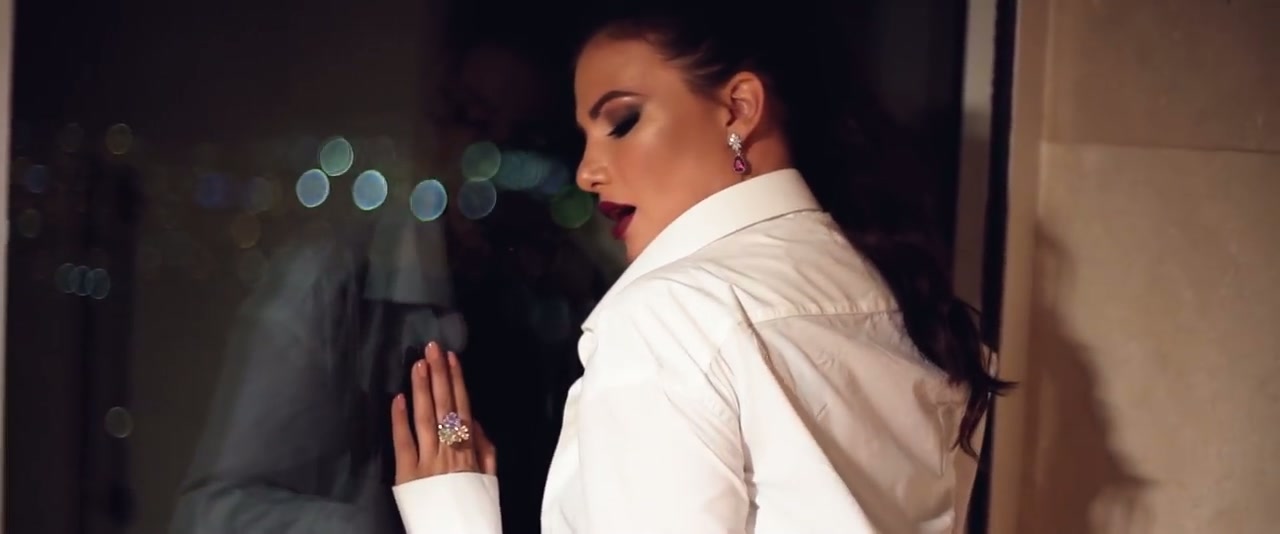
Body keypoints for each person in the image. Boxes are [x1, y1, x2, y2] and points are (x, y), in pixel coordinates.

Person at [388, 2, 1011, 533]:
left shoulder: (669, 317)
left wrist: (453, 520)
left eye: (621, 122)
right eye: (582, 138)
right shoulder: (891, 293)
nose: (586, 172)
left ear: (739, 108)